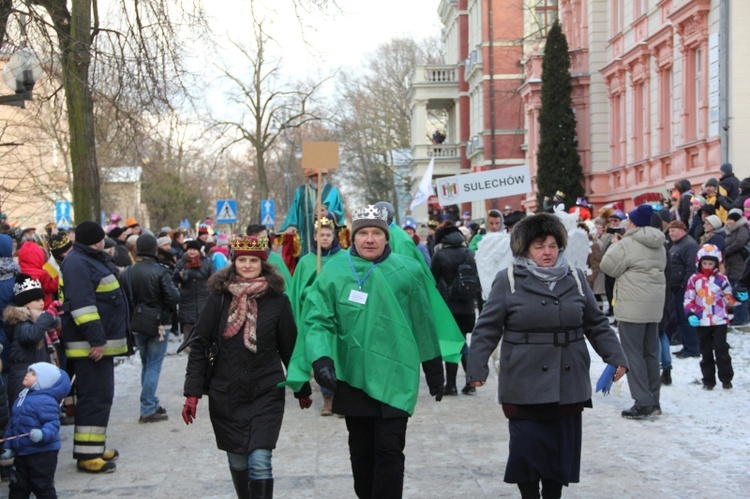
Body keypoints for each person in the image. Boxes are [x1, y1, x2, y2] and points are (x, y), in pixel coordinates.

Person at [285, 205, 446, 499]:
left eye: (376, 233)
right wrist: (321, 359)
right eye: (363, 233)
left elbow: (423, 322)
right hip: (353, 375)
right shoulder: (333, 272)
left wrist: (434, 368)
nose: (369, 239)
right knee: (361, 453)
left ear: (386, 238)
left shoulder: (407, 271)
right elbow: (316, 320)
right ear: (352, 237)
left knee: (390, 450)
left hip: (397, 375)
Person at [467, 213, 628, 499]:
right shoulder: (508, 280)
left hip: (568, 381)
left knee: (559, 452)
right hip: (523, 381)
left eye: (553, 246)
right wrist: (477, 368)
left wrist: (616, 356)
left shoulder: (576, 278)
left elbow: (595, 323)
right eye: (539, 246)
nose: (547, 252)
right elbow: (486, 329)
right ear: (525, 249)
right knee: (526, 451)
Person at [182, 235, 312, 498]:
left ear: (263, 264)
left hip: (266, 390)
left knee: (261, 461)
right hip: (226, 392)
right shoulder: (218, 298)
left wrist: (302, 387)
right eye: (242, 260)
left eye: (254, 260)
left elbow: (289, 347)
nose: (248, 265)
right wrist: (192, 393)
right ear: (234, 262)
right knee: (238, 461)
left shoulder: (278, 301)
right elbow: (199, 346)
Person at [60, 221, 128, 473]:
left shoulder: (88, 259)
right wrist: (97, 340)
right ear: (98, 240)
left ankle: (95, 448)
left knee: (101, 397)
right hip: (90, 347)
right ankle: (88, 455)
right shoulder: (79, 262)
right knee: (94, 399)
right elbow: (83, 306)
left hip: (96, 345)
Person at [600, 205, 666, 419]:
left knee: (633, 355)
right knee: (650, 353)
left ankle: (642, 402)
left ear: (634, 223)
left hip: (632, 306)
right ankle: (654, 400)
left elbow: (608, 266)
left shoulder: (627, 243)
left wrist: (614, 246)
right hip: (653, 305)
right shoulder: (659, 243)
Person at [120, 234, 180, 423]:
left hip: (137, 322)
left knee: (147, 364)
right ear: (155, 249)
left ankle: (151, 401)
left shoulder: (128, 271)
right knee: (153, 365)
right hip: (159, 323)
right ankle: (147, 407)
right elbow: (173, 297)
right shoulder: (160, 271)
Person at [288, 216, 343, 416]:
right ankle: (327, 397)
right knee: (323, 352)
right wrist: (313, 291)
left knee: (341, 354)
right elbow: (298, 291)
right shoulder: (307, 262)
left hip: (340, 315)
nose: (326, 238)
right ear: (315, 237)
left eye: (329, 234)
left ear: (334, 236)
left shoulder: (344, 258)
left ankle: (343, 397)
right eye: (322, 235)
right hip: (316, 315)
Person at [1, 362, 71, 498]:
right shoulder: (22, 397)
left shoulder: (46, 401)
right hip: (22, 452)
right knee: (17, 486)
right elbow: (13, 424)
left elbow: (53, 424)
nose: (27, 374)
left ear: (43, 382)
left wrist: (43, 434)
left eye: (33, 374)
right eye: (29, 371)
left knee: (42, 485)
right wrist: (8, 446)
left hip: (42, 454)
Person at [430, 224, 478, 395]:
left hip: (448, 308)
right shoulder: (470, 254)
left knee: (453, 345)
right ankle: (471, 382)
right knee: (463, 342)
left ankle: (451, 385)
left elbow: (432, 280)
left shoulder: (440, 255)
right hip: (467, 307)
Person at [2, 274, 61, 403]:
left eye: (42, 299)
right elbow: (31, 336)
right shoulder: (20, 322)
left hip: (35, 376)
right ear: (25, 304)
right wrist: (48, 316)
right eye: (37, 300)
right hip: (23, 380)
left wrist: (53, 318)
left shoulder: (37, 321)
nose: (42, 303)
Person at [683, 244, 735, 390]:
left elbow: (728, 298)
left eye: (710, 263)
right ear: (699, 263)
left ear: (716, 264)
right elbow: (688, 299)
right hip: (702, 320)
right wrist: (690, 313)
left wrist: (738, 298)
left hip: (719, 320)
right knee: (705, 351)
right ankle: (708, 380)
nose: (707, 266)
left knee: (721, 349)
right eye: (704, 263)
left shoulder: (721, 279)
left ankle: (726, 378)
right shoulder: (694, 280)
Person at [279, 168, 345, 256]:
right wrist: (292, 226)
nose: (317, 178)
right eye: (314, 176)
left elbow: (340, 212)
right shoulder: (300, 191)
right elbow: (294, 211)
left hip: (327, 235)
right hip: (306, 237)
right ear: (309, 177)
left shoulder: (333, 191)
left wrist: (328, 214)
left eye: (320, 175)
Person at [667, 221, 701, 357]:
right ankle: (686, 346)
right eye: (669, 231)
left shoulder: (689, 245)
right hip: (676, 288)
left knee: (686, 319)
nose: (671, 234)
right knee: (680, 320)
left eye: (673, 231)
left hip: (685, 289)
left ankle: (693, 348)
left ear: (682, 230)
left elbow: (691, 268)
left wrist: (685, 286)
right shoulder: (677, 245)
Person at [173, 240, 213, 344]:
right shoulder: (181, 262)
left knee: (203, 326)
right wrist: (179, 276)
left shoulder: (206, 262)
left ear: (198, 251)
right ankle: (189, 349)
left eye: (194, 250)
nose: (192, 252)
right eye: (190, 249)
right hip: (187, 300)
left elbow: (213, 277)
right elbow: (174, 279)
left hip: (203, 299)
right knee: (188, 327)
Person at [722, 209, 750, 325]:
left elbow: (739, 242)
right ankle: (738, 316)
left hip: (739, 265)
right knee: (735, 292)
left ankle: (742, 318)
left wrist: (726, 251)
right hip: (731, 266)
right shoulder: (730, 232)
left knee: (740, 291)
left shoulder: (742, 229)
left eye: (731, 220)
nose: (729, 222)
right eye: (728, 219)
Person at [247, 225, 292, 292]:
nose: (267, 239)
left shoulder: (275, 259)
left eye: (267, 237)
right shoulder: (245, 260)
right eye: (264, 237)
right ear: (253, 238)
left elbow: (287, 285)